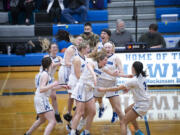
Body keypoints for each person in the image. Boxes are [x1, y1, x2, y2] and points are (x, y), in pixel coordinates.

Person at [69, 50, 118, 135]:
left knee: (92, 112)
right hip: (82, 87)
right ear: (100, 59)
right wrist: (94, 76)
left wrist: (124, 75)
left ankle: (86, 131)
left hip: (89, 90)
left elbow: (112, 73)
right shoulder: (92, 62)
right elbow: (89, 67)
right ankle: (72, 132)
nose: (107, 61)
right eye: (105, 60)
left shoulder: (102, 67)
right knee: (80, 112)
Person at [98, 61, 151, 135]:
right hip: (145, 102)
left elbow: (117, 88)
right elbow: (137, 86)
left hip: (142, 104)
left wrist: (104, 89)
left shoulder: (133, 80)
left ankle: (137, 131)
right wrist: (128, 88)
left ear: (133, 68)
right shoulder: (142, 75)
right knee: (127, 110)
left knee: (123, 122)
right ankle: (138, 131)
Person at [24, 57, 68, 135]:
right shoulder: (45, 75)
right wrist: (53, 84)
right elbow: (42, 89)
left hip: (38, 98)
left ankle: (27, 133)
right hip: (42, 99)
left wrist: (62, 86)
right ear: (51, 64)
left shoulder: (42, 73)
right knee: (53, 122)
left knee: (42, 120)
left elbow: (49, 88)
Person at [94, 42, 132, 124]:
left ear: (112, 48)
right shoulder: (99, 57)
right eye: (106, 47)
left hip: (111, 83)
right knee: (97, 99)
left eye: (109, 47)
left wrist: (119, 72)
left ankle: (115, 113)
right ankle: (101, 107)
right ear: (103, 48)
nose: (107, 49)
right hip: (100, 82)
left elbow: (121, 71)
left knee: (114, 103)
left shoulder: (116, 58)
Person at [58, 35, 83, 122]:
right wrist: (76, 64)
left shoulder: (78, 50)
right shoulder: (71, 49)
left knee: (73, 92)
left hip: (72, 71)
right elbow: (67, 62)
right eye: (79, 39)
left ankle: (71, 111)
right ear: (75, 40)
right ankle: (69, 112)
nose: (80, 41)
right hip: (66, 71)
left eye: (82, 40)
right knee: (71, 93)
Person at [43, 43, 63, 123]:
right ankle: (40, 114)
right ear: (50, 49)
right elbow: (52, 65)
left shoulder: (59, 57)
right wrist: (61, 62)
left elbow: (63, 63)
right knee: (44, 98)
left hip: (51, 78)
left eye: (56, 47)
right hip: (44, 79)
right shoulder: (46, 57)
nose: (55, 48)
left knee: (54, 97)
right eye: (53, 47)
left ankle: (57, 115)